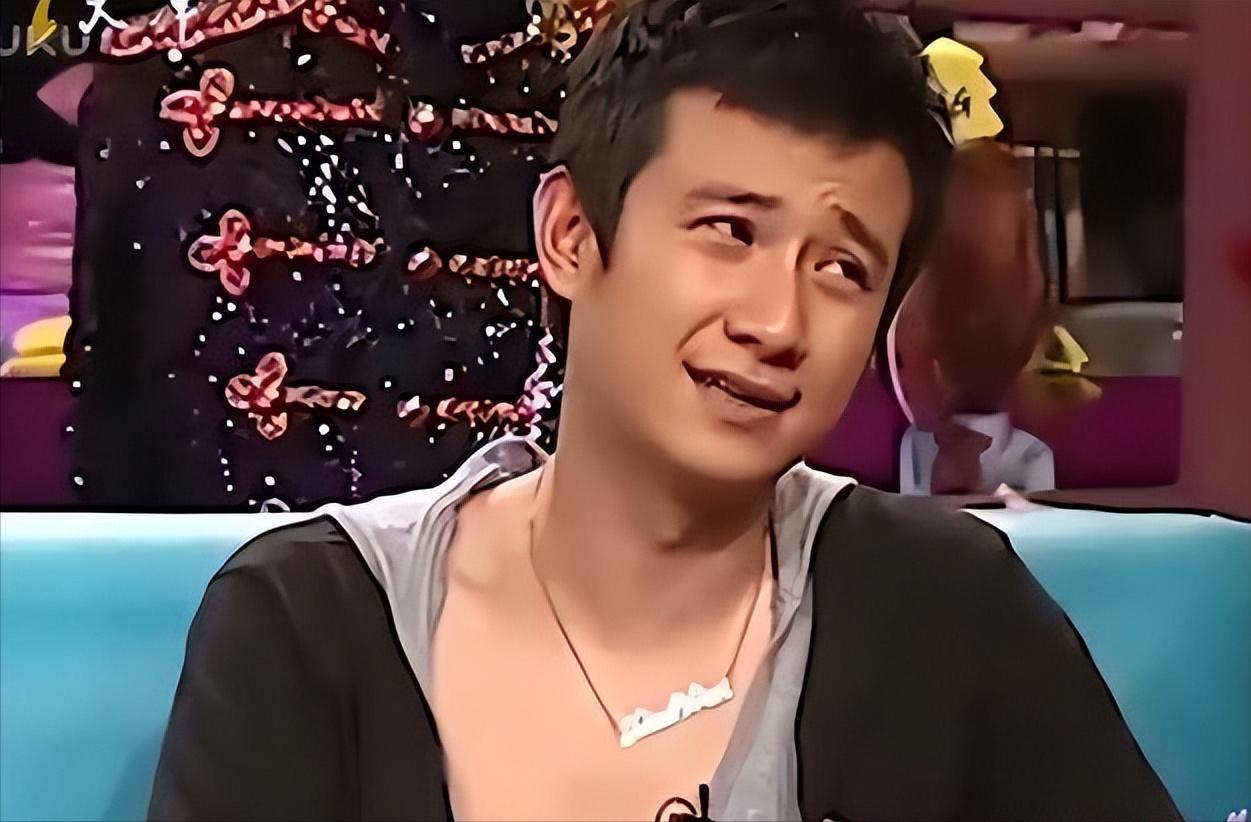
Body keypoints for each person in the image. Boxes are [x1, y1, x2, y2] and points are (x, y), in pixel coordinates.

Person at [148, 1, 1180, 819]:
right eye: (729, 230)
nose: (777, 323)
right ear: (570, 235)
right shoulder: (307, 627)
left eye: (842, 268)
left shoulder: (948, 613)